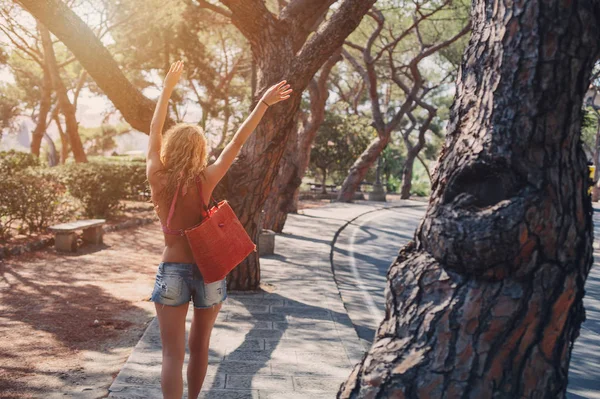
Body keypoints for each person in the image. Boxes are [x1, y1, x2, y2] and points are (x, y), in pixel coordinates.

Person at [146, 60, 292, 399]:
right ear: (199, 151)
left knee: (171, 354)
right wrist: (263, 104)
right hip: (208, 272)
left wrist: (167, 89)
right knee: (200, 348)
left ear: (171, 146)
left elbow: (154, 130)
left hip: (171, 271)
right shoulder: (205, 180)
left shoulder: (157, 176)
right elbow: (237, 144)